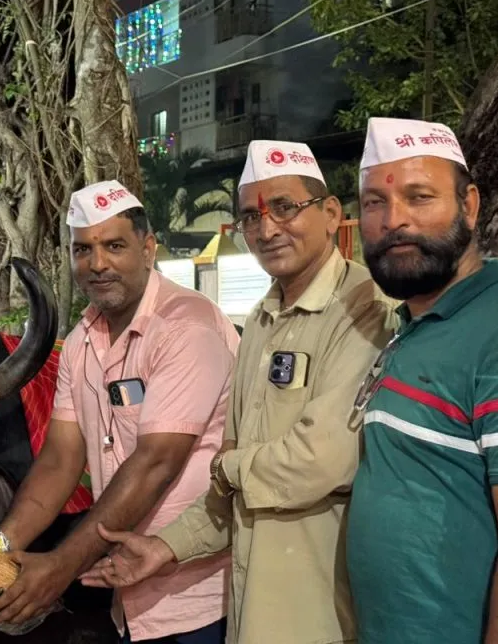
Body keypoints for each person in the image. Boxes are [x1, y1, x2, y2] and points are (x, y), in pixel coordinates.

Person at [83, 141, 397, 644]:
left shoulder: (366, 310)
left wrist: (227, 468)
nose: (267, 228)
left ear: (331, 212)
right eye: (251, 216)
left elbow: (322, 460)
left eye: (285, 208)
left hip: (320, 616)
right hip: (250, 616)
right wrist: (165, 547)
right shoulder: (261, 321)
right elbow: (238, 496)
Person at [0, 180, 238, 643]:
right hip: (126, 594)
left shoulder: (186, 328)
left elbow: (155, 464)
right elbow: (62, 459)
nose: (97, 264)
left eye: (114, 246)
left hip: (199, 597)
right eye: (83, 250)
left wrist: (59, 569)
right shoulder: (83, 339)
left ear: (148, 249)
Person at [346, 118, 498, 643]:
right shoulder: (413, 320)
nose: (395, 221)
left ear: (470, 205)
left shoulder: (497, 328)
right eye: (375, 203)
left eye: (419, 198)